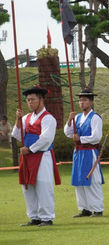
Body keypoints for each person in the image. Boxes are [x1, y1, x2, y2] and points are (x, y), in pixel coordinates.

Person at [13, 85, 61, 227]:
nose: (30, 103)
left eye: (32, 99)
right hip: (27, 156)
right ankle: (34, 216)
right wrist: (17, 119)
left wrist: (31, 149)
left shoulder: (48, 118)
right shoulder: (26, 117)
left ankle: (46, 216)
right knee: (27, 186)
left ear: (41, 100)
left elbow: (46, 139)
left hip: (41, 155)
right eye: (28, 100)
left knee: (43, 185)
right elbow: (17, 135)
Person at [63, 88, 104, 218]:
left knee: (92, 180)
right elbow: (68, 133)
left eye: (85, 100)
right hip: (78, 152)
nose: (82, 103)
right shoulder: (78, 117)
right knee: (79, 180)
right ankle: (85, 208)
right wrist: (69, 120)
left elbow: (96, 137)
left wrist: (80, 138)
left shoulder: (95, 118)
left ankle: (97, 208)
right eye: (80, 100)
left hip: (89, 151)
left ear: (91, 102)